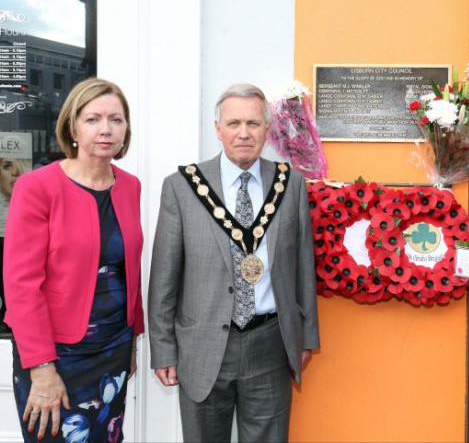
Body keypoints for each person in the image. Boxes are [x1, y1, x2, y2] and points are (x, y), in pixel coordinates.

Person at [148, 82, 320, 442]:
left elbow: (305, 267)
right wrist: (163, 349)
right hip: (202, 345)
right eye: (233, 123)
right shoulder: (182, 187)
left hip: (270, 344)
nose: (244, 133)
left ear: (267, 130)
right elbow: (164, 277)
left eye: (254, 124)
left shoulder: (291, 185)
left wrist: (306, 337)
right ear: (218, 129)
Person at [3, 77, 144, 442]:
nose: (106, 129)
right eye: (93, 119)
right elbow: (21, 285)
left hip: (113, 349)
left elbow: (127, 270)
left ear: (126, 129)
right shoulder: (37, 187)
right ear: (73, 127)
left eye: (116, 120)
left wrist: (132, 341)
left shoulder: (130, 186)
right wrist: (41, 367)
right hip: (55, 356)